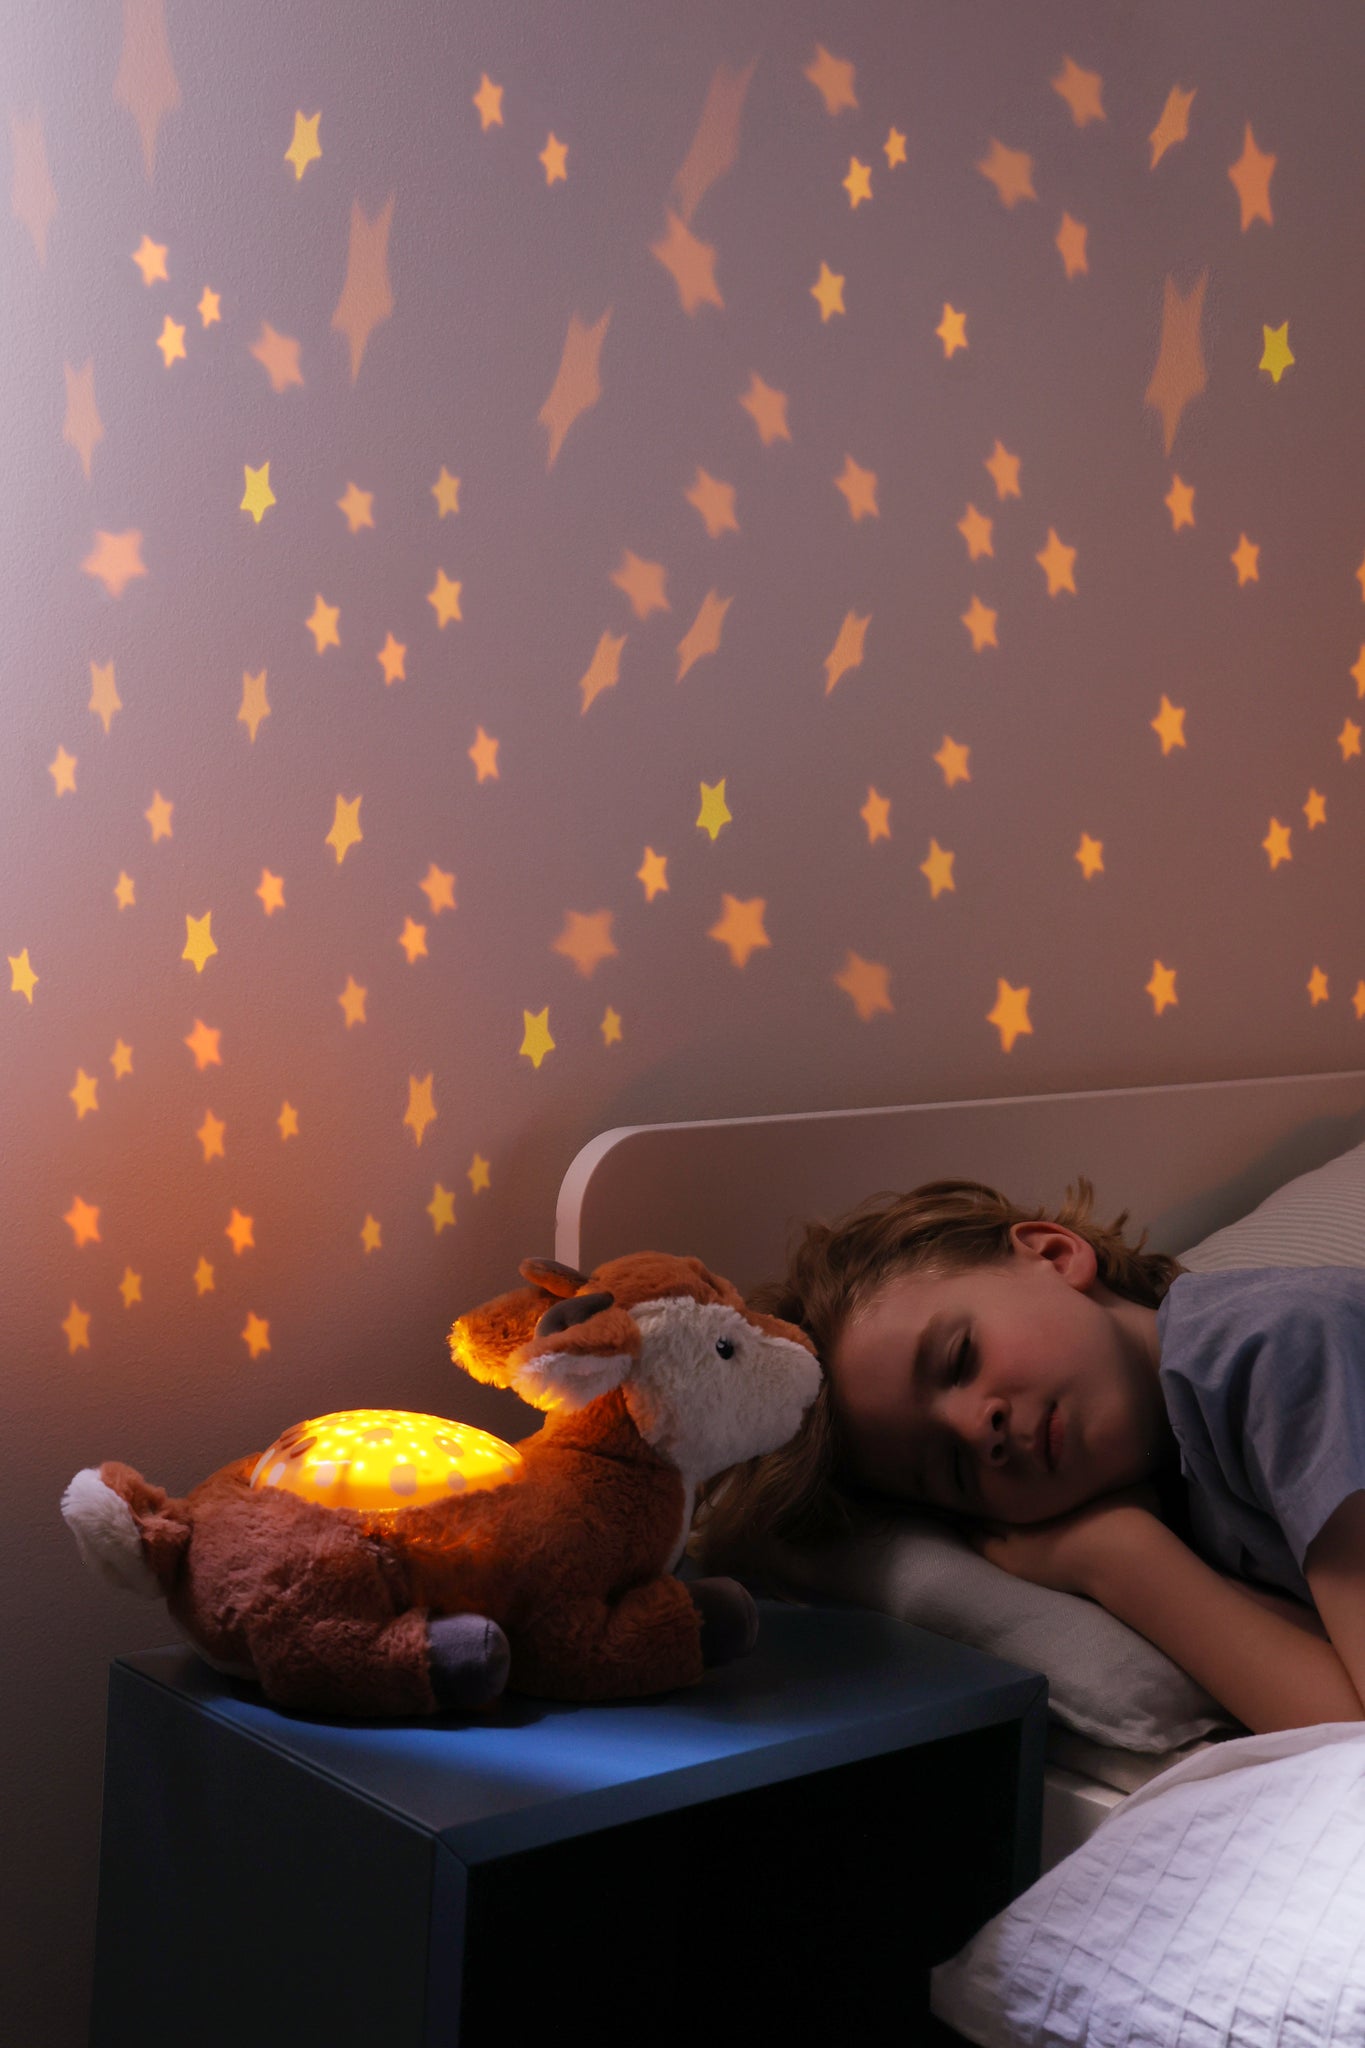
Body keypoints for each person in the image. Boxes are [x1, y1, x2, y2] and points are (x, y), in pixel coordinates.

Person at [690, 1176, 1365, 1736]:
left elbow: (1346, 1740)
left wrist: (1118, 1562)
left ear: (1053, 1253)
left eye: (959, 1359)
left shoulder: (1277, 1352)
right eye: (952, 1470)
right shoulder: (1176, 1469)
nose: (976, 1428)